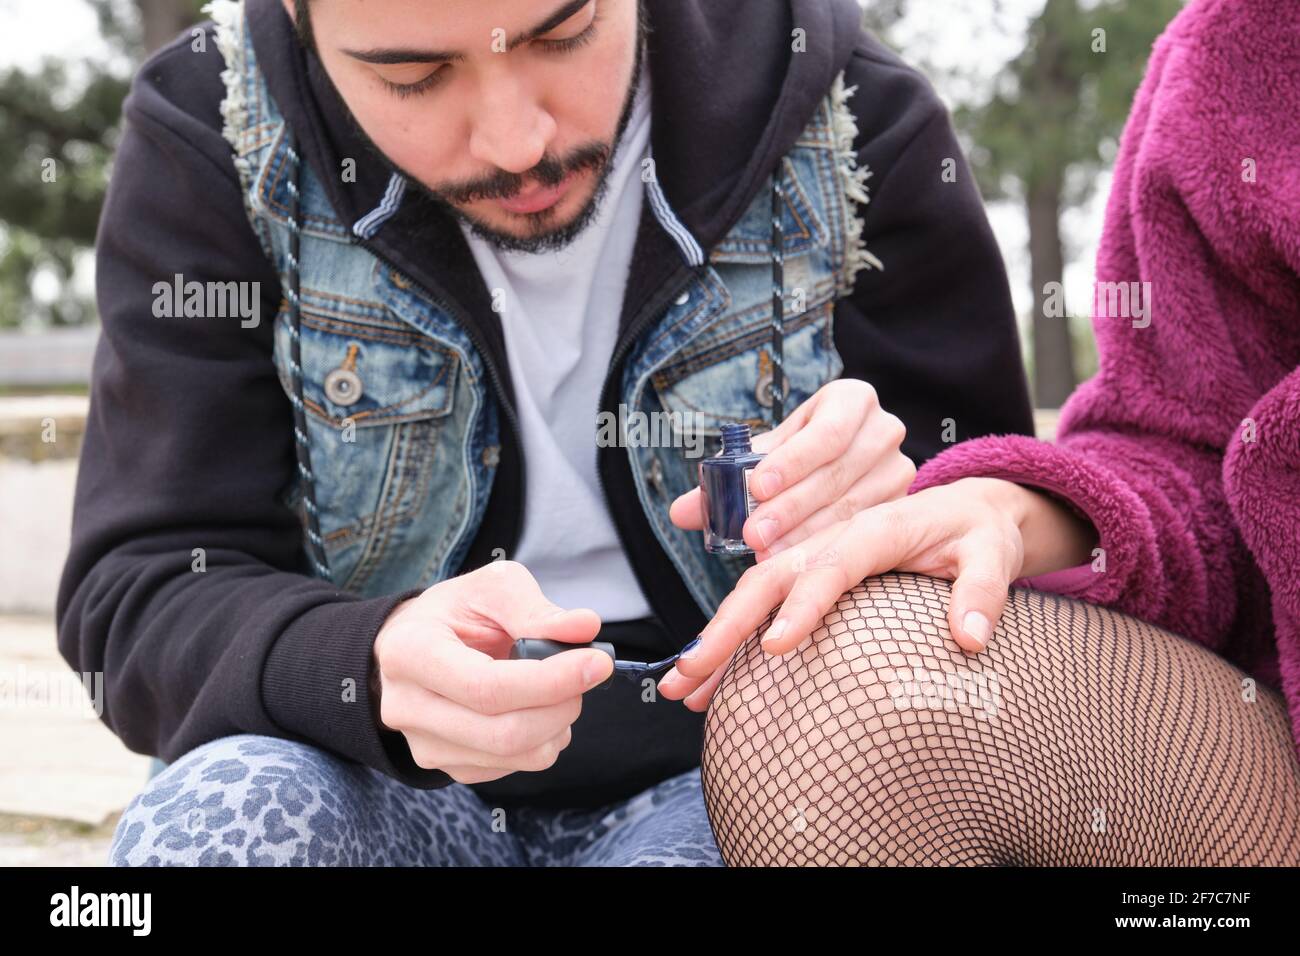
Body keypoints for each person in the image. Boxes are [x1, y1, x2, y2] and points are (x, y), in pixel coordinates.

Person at [57, 0, 1034, 866]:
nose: (518, 140)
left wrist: (901, 505)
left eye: (564, 33)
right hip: (360, 770)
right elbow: (137, 593)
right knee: (217, 826)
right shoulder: (215, 129)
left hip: (731, 777)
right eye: (412, 75)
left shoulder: (849, 114)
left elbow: (1010, 549)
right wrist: (361, 664)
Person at [667, 0, 1300, 865]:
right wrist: (1019, 508)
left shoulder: (868, 118)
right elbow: (1194, 445)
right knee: (821, 686)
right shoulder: (1240, 46)